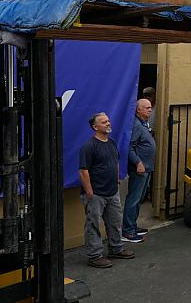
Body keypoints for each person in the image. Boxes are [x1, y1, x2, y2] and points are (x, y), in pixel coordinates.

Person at [78, 113, 134, 268]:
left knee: (115, 222)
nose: (108, 123)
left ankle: (116, 249)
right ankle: (94, 256)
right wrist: (89, 192)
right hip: (96, 194)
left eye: (108, 121)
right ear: (95, 127)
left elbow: (115, 162)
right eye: (103, 122)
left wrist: (116, 181)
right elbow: (83, 171)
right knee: (93, 225)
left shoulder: (112, 143)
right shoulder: (89, 146)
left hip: (112, 192)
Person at [122, 99, 156, 243]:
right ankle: (128, 231)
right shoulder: (136, 125)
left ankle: (133, 226)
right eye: (146, 108)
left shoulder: (143, 124)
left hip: (146, 168)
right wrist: (138, 163)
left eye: (150, 107)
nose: (149, 110)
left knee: (138, 200)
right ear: (138, 110)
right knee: (134, 199)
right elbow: (129, 147)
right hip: (140, 169)